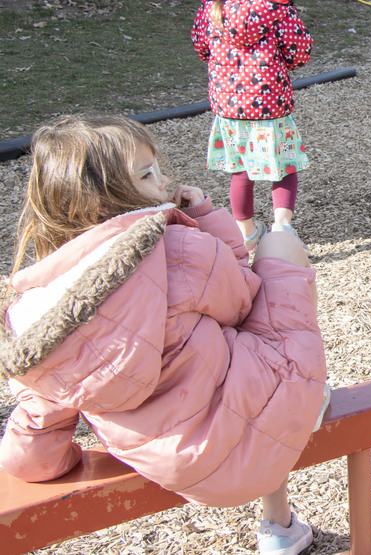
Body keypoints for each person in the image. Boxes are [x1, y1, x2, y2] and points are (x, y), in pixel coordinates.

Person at [0, 115, 327, 555]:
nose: (164, 180)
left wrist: (60, 461)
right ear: (102, 201)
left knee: (217, 348)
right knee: (280, 248)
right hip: (261, 424)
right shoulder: (176, 249)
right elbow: (245, 300)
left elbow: (37, 426)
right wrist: (204, 218)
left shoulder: (38, 313)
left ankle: (281, 525)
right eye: (146, 174)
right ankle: (284, 494)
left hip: (175, 468)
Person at [192, 0, 314, 251]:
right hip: (270, 107)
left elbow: (201, 47)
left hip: (230, 109)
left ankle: (245, 232)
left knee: (241, 171)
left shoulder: (211, 8)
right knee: (283, 167)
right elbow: (299, 53)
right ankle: (282, 228)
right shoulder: (277, 10)